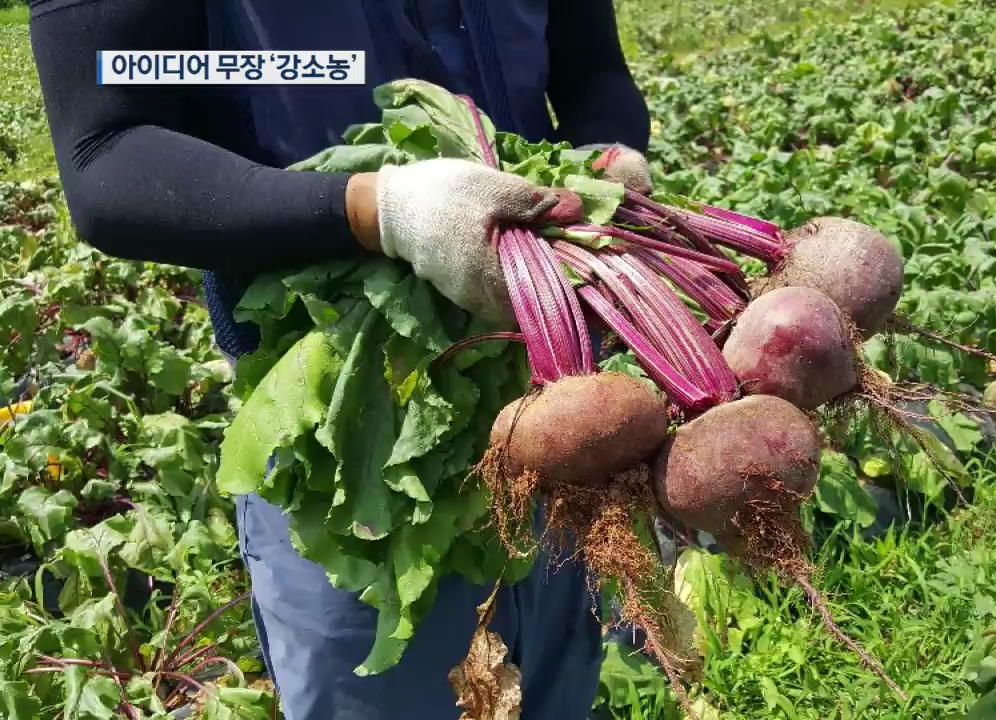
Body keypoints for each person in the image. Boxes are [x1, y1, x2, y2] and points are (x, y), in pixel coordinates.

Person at [27, 1, 651, 717]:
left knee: (558, 690)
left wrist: (611, 151)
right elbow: (108, 149)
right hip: (350, 434)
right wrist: (374, 209)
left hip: (559, 406)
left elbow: (590, 65)